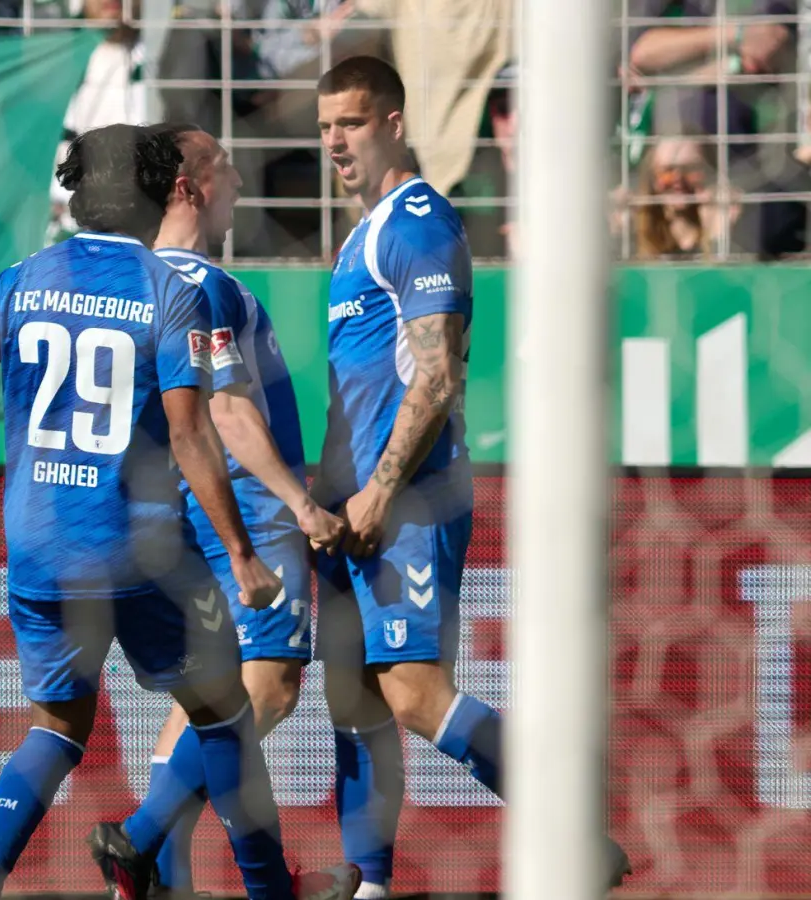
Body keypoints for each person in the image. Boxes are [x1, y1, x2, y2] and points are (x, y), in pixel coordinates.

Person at [0, 121, 356, 900]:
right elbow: (191, 430)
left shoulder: (19, 281)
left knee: (55, 727)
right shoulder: (169, 292)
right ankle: (271, 889)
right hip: (140, 556)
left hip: (38, 549)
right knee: (224, 715)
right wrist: (241, 554)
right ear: (154, 193)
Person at [312, 56, 631, 899]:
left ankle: (569, 831)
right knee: (359, 700)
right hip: (350, 500)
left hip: (408, 494)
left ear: (392, 121)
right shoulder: (361, 231)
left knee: (414, 694)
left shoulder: (419, 221)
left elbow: (438, 371)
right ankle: (369, 886)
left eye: (348, 122)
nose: (333, 142)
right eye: (323, 127)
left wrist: (380, 486)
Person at [111, 122, 350, 899]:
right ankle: (141, 841)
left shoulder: (138, 279)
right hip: (243, 513)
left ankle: (164, 878)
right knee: (271, 682)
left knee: (205, 701)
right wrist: (299, 504)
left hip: (171, 517)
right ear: (188, 186)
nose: (240, 184)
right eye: (224, 169)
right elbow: (229, 413)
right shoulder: (202, 284)